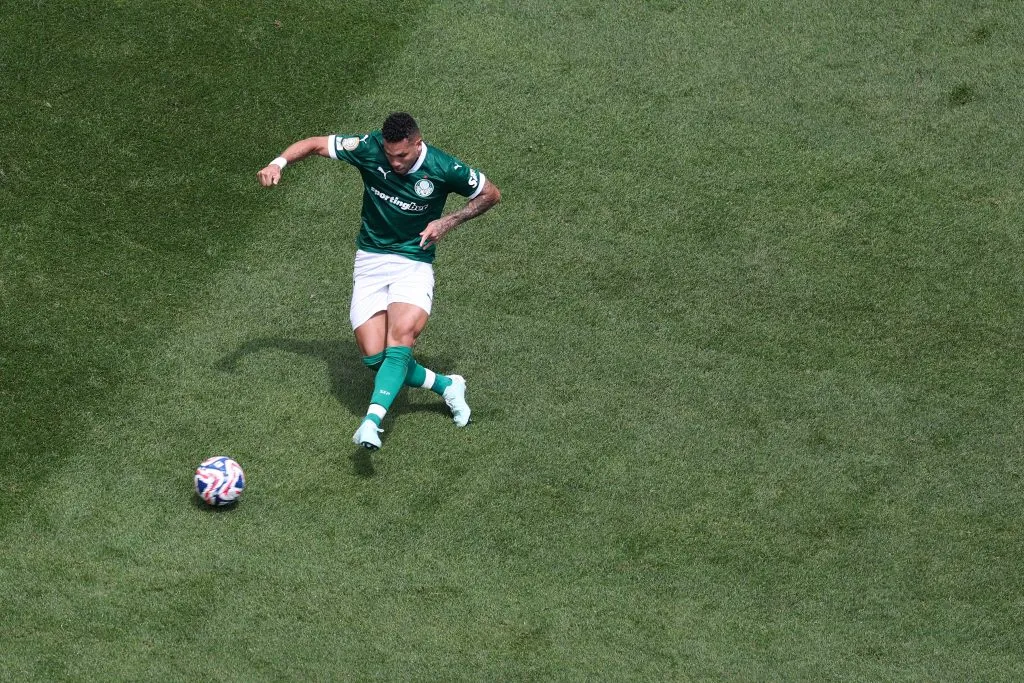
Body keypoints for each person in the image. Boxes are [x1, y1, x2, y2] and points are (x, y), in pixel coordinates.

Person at [257, 112, 501, 450]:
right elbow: (315, 144)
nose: (395, 162)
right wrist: (278, 163)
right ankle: (447, 385)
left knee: (400, 340)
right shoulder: (368, 147)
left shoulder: (445, 167)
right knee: (376, 358)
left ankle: (371, 422)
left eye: (402, 155)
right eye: (390, 155)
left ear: (418, 143)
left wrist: (447, 222)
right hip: (369, 261)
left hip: (413, 263)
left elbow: (490, 194)